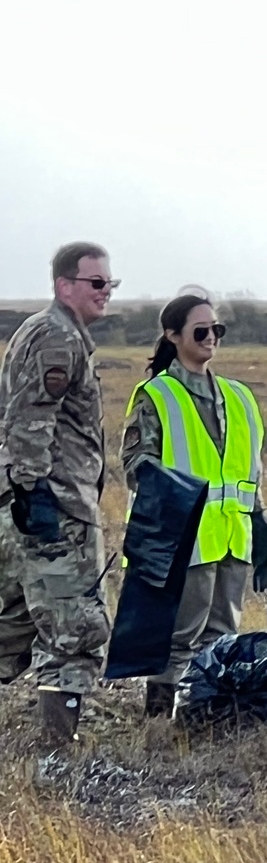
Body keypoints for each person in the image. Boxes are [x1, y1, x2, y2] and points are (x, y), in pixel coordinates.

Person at [121, 294, 267, 716]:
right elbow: (136, 467)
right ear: (173, 335)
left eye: (216, 331)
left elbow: (250, 471)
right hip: (183, 541)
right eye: (201, 331)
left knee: (223, 635)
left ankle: (205, 713)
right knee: (179, 636)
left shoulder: (239, 397)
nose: (211, 339)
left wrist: (260, 524)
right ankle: (157, 721)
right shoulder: (157, 395)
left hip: (232, 539)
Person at [0, 241, 115, 742]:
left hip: (31, 505)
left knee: (12, 628)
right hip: (55, 509)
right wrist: (34, 495)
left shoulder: (49, 331)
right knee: (75, 633)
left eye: (110, 284)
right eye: (95, 283)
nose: (105, 292)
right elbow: (29, 419)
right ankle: (55, 757)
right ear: (64, 285)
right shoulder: (56, 336)